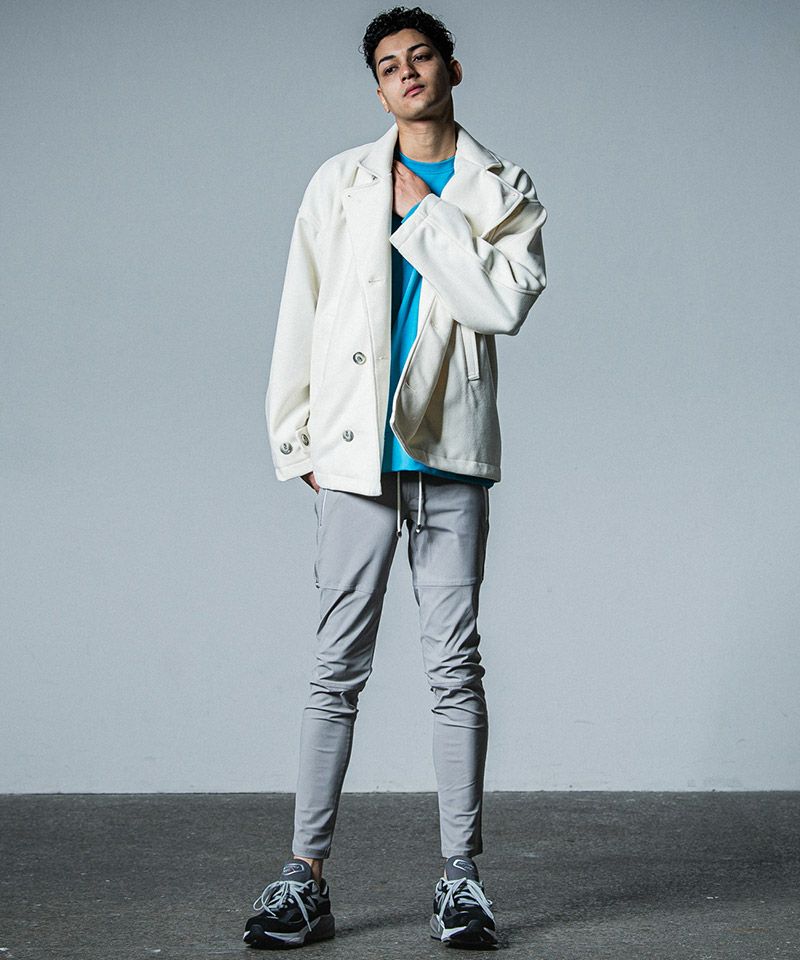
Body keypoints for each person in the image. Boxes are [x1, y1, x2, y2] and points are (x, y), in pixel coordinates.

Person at [243, 4, 547, 950]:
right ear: (379, 90)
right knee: (336, 667)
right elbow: (302, 305)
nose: (407, 72)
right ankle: (303, 880)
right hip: (354, 456)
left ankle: (462, 880)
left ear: (453, 69)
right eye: (389, 65)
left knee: (455, 667)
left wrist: (424, 214)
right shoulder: (338, 183)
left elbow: (502, 303)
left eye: (421, 57)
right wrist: (296, 440)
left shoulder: (502, 186)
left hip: (449, 454)